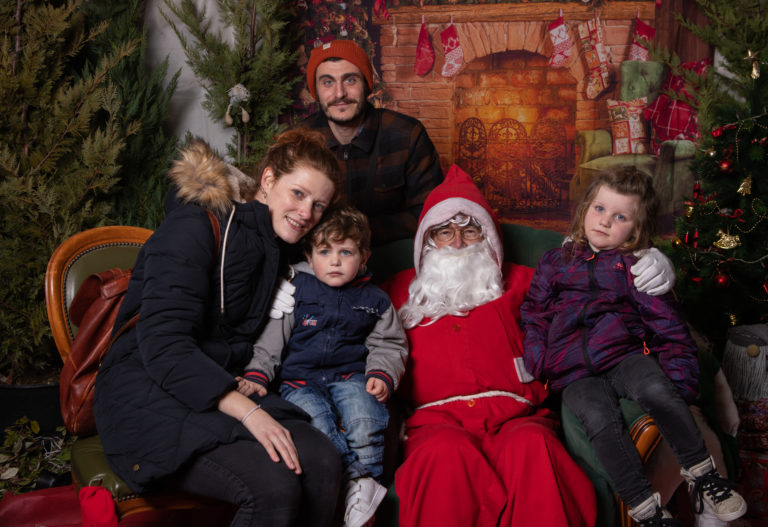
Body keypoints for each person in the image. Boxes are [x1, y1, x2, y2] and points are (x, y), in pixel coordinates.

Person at [94, 129, 345, 527]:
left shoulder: (279, 248)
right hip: (146, 386)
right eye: (298, 194)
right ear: (267, 179)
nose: (306, 213)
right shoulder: (194, 225)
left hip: (221, 385)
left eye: (319, 205)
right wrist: (250, 413)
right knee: (273, 487)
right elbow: (163, 345)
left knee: (324, 462)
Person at [519, 168, 747, 526]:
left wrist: (681, 386)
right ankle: (647, 512)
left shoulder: (635, 266)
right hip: (573, 371)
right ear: (585, 209)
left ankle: (705, 477)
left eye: (620, 217)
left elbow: (667, 325)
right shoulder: (555, 262)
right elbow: (535, 312)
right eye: (599, 209)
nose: (605, 221)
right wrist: (538, 358)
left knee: (658, 390)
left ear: (636, 229)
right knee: (599, 421)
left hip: (624, 356)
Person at [381, 164, 597, 527]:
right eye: (445, 233)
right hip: (435, 424)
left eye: (469, 231)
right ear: (427, 241)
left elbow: (590, 290)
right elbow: (341, 302)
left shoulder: (525, 282)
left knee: (533, 446)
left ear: (487, 236)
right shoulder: (397, 290)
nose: (458, 243)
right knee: (442, 456)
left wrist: (637, 262)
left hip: (517, 417)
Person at [239, 205, 408, 527]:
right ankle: (354, 483)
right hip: (299, 381)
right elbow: (272, 340)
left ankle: (365, 497)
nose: (334, 261)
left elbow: (389, 343)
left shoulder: (376, 300)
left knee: (365, 417)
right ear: (309, 255)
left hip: (351, 376)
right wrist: (258, 375)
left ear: (364, 257)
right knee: (317, 424)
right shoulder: (295, 289)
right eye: (325, 251)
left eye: (346, 252)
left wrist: (382, 374)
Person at [297, 38, 444, 246]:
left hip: (392, 255)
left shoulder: (408, 134)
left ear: (367, 84)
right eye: (327, 82)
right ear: (316, 91)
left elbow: (432, 212)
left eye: (350, 80)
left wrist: (359, 231)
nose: (339, 93)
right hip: (319, 255)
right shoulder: (299, 140)